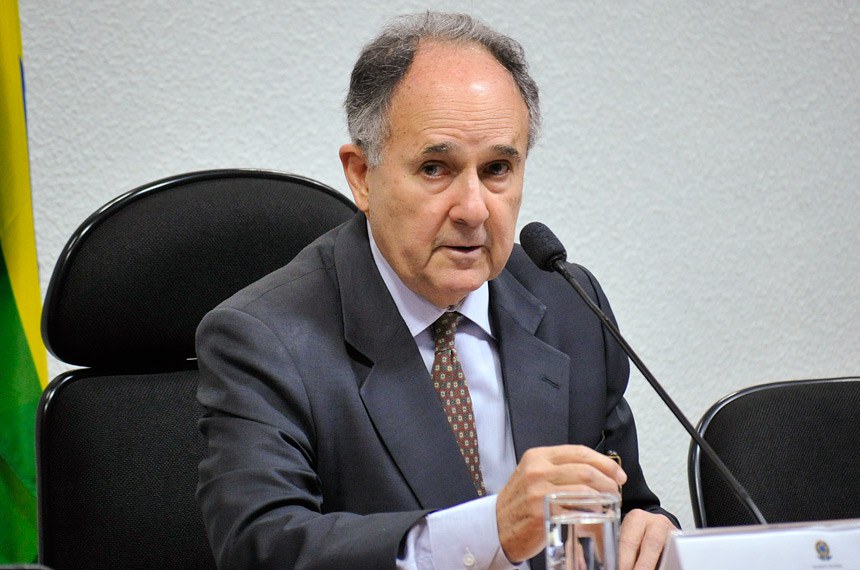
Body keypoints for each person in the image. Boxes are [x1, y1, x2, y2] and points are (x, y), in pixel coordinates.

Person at [195, 11, 678, 570]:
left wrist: (651, 531)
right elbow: (262, 549)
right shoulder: (266, 339)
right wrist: (487, 531)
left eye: (497, 168)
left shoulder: (570, 304)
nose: (473, 209)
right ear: (361, 175)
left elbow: (622, 507)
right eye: (434, 168)